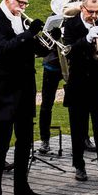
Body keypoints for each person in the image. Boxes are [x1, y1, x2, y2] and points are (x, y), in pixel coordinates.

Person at [0, 0, 51, 195]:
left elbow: (30, 50)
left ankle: (22, 187)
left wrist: (45, 43)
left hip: (24, 89)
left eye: (25, 2)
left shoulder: (22, 20)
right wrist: (28, 34)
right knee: (0, 145)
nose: (23, 6)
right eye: (20, 2)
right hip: (3, 90)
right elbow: (1, 49)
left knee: (25, 142)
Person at [61, 0, 98, 183]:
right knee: (78, 127)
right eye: (90, 11)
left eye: (97, 11)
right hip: (78, 83)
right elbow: (68, 51)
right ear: (82, 8)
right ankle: (79, 165)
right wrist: (86, 39)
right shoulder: (70, 24)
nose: (94, 15)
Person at [36, 17, 66, 158]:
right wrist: (54, 36)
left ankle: (83, 137)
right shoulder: (54, 20)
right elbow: (43, 44)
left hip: (70, 65)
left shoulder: (77, 20)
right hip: (52, 65)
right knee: (46, 104)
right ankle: (44, 140)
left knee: (78, 103)